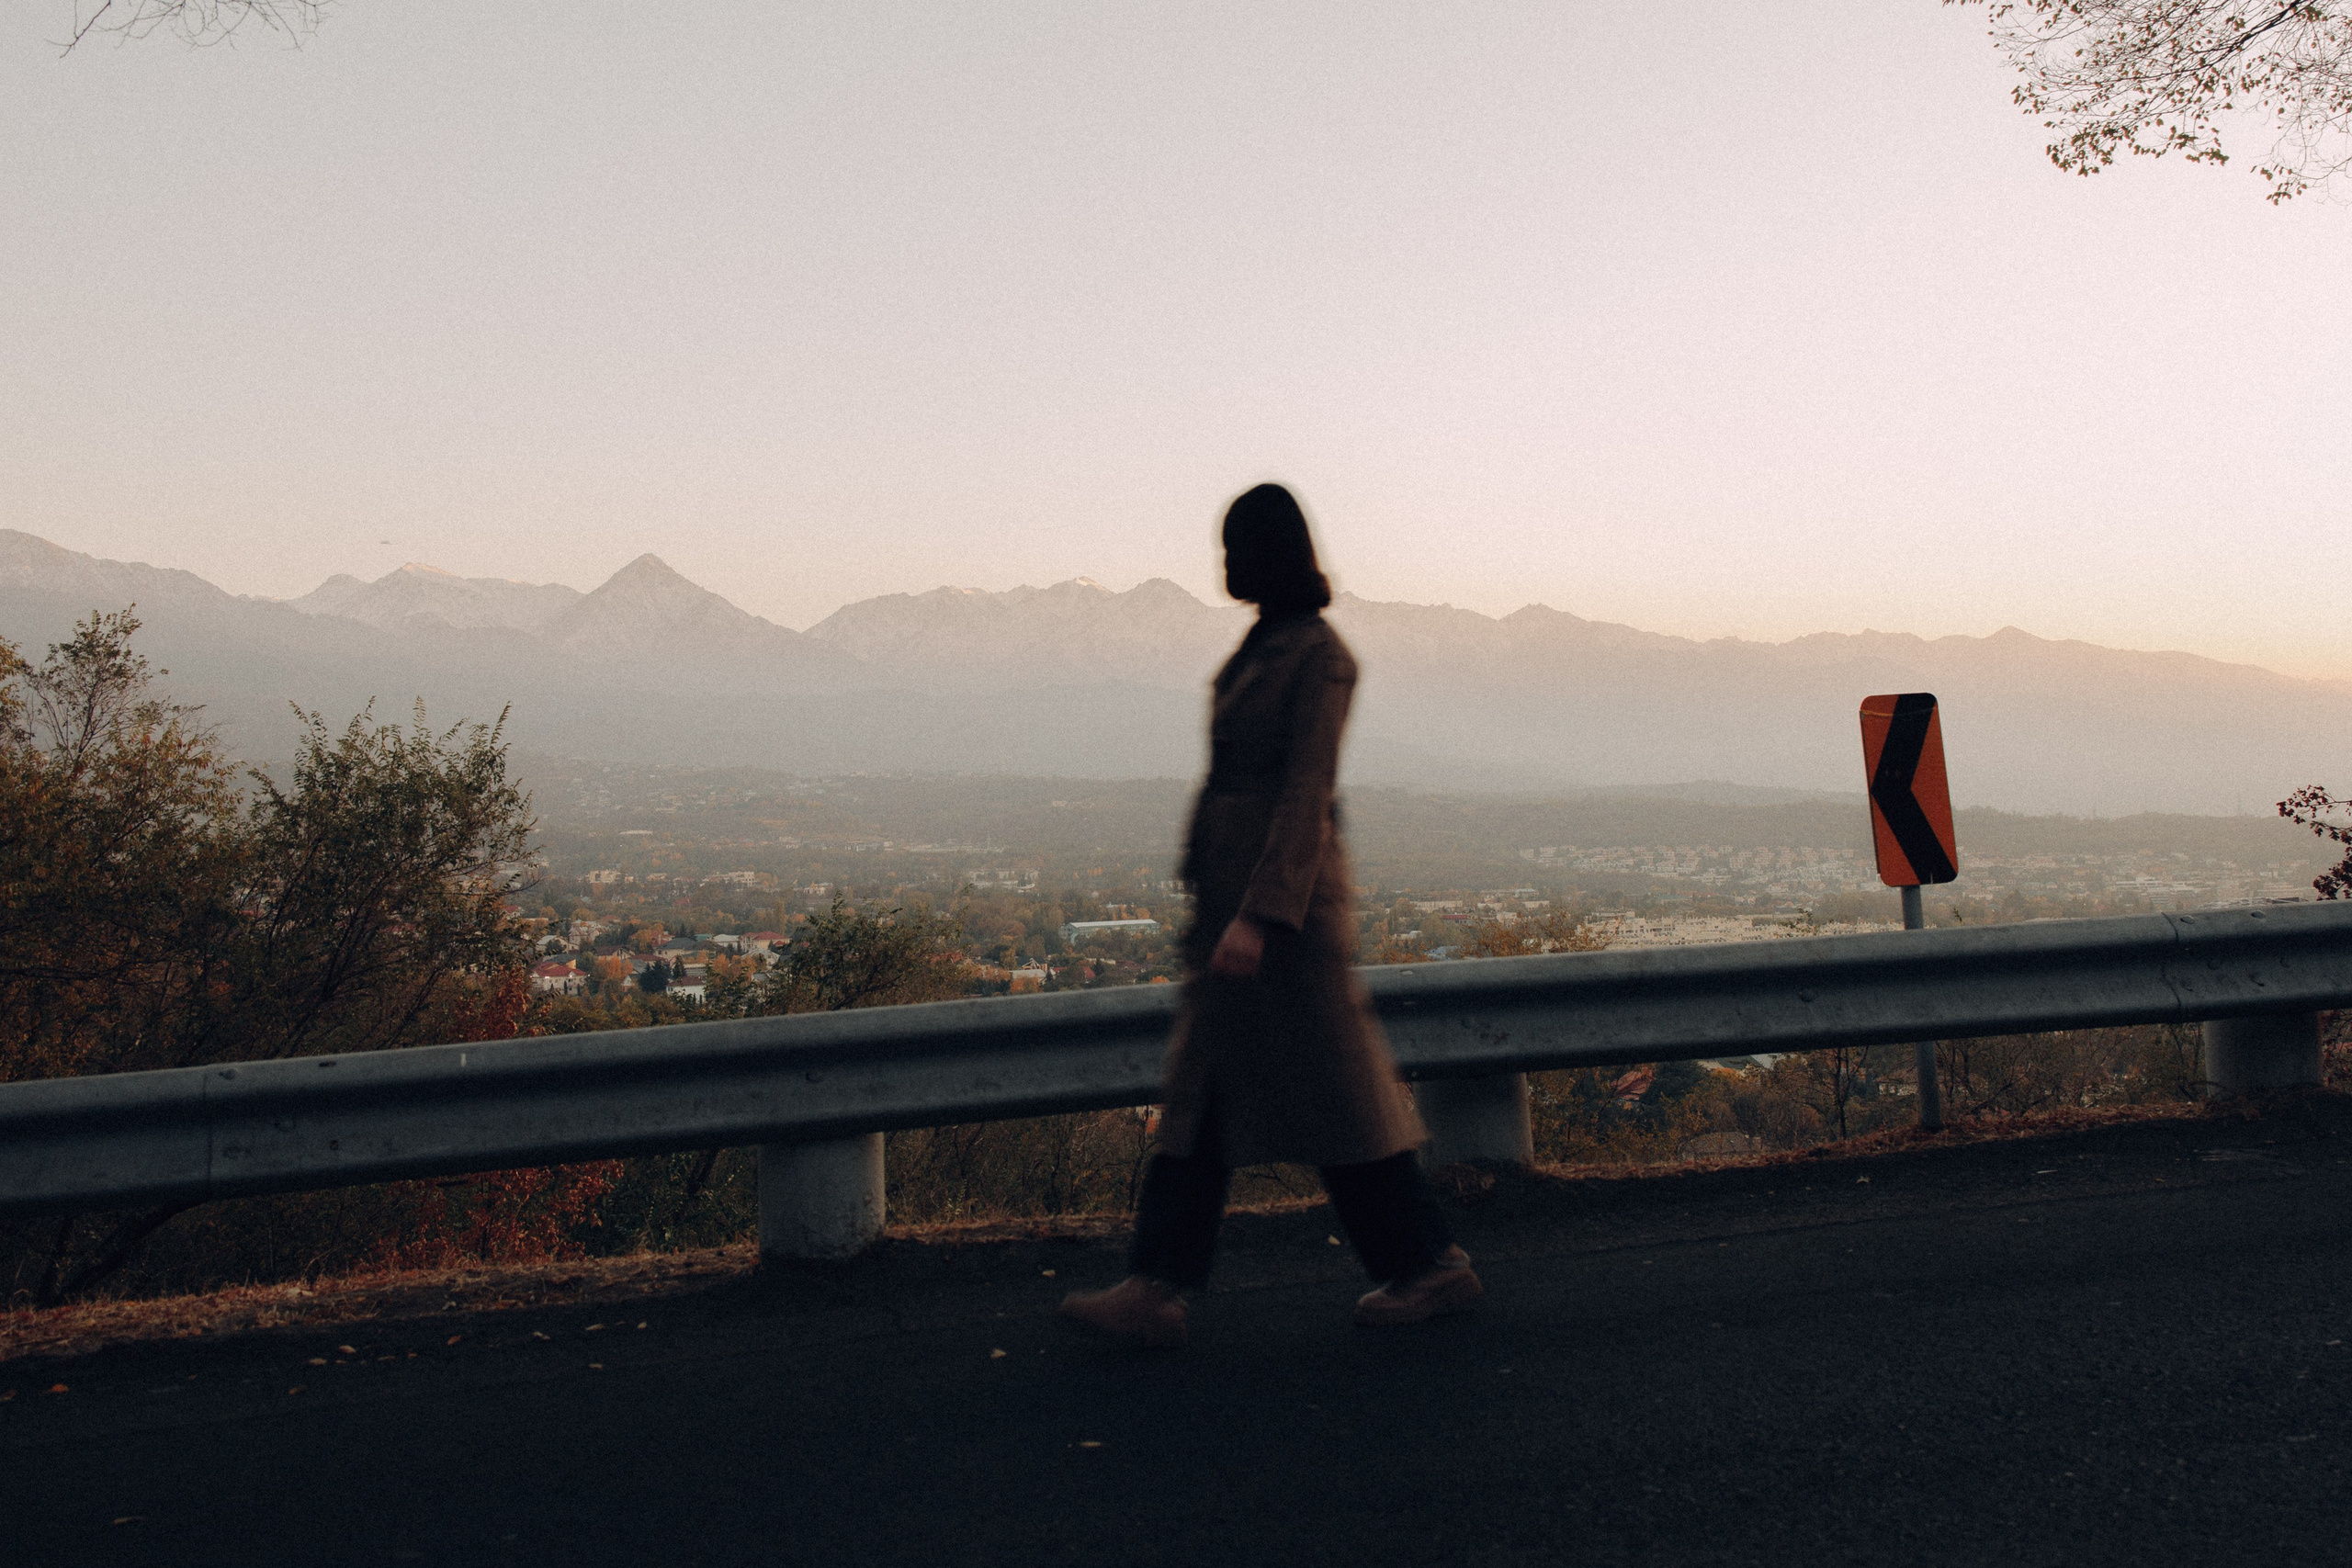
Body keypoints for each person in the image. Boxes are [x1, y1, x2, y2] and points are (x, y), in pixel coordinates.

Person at [1060, 483, 1482, 1348]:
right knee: (1203, 1094)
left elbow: (1304, 796)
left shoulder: (1319, 656)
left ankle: (1430, 1265)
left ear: (1272, 553)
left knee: (1340, 1098)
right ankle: (1158, 1283)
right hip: (1237, 911)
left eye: (1235, 549)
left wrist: (1262, 915)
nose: (1223, 565)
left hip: (1285, 921)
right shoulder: (1266, 643)